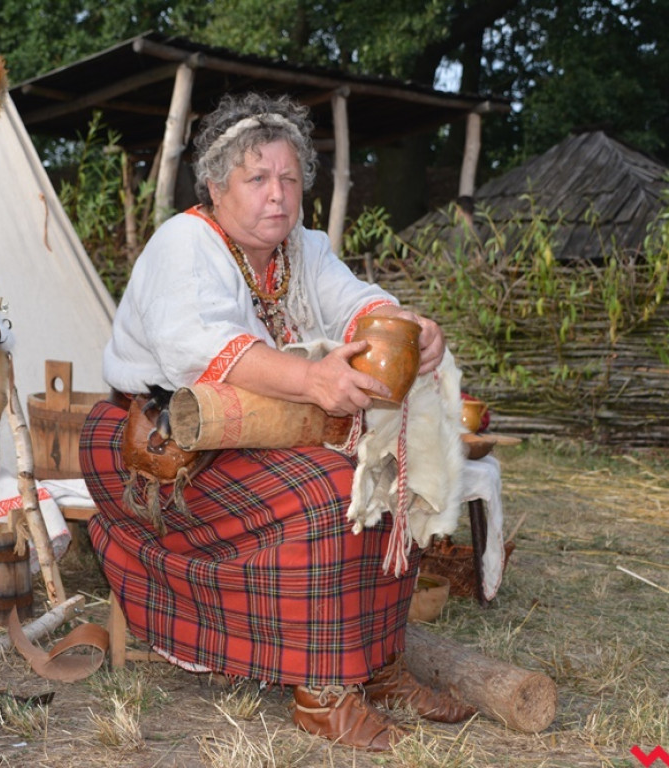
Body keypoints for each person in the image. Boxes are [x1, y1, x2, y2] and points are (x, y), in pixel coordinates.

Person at [78, 92, 473, 751]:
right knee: (327, 492)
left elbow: (356, 302)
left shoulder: (302, 250)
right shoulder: (185, 243)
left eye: (289, 179)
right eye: (257, 178)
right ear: (214, 183)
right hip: (156, 442)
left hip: (251, 431)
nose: (278, 196)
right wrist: (313, 380)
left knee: (379, 471)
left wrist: (409, 329)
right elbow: (194, 350)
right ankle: (324, 696)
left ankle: (377, 669)